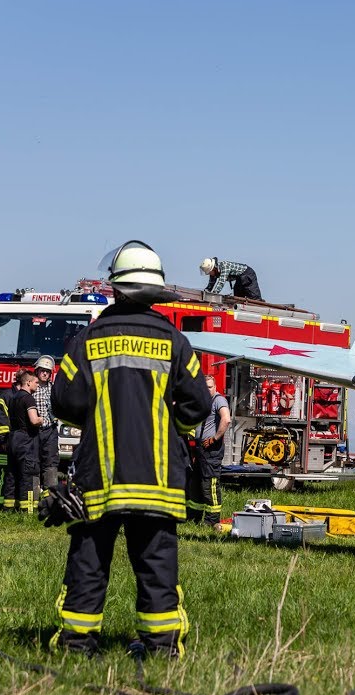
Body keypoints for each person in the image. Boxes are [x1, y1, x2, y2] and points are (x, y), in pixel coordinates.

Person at [48, 240, 212, 659]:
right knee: (157, 567)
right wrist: (169, 425)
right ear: (154, 291)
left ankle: (77, 645)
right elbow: (198, 405)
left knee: (89, 563)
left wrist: (100, 413)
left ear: (116, 289)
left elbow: (64, 403)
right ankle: (160, 648)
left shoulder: (86, 339)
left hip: (98, 479)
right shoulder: (175, 342)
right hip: (157, 481)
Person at [186, 374, 231, 526]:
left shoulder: (219, 400)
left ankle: (212, 520)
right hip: (199, 449)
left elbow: (226, 419)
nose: (207, 390)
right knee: (195, 483)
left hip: (211, 449)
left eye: (210, 387)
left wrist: (215, 438)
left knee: (209, 484)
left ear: (215, 387)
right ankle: (194, 517)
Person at [8, 369, 44, 514]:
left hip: (13, 439)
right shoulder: (28, 398)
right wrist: (42, 419)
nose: (38, 385)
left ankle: (8, 507)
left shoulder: (13, 397)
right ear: (28, 382)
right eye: (36, 382)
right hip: (26, 440)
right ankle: (27, 509)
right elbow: (34, 420)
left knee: (12, 474)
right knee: (27, 475)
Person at [32, 355, 61, 493]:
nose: (44, 373)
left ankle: (50, 495)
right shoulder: (31, 387)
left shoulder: (54, 389)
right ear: (37, 371)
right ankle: (34, 493)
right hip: (33, 431)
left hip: (50, 431)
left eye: (47, 371)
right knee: (33, 461)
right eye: (42, 370)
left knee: (50, 461)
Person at [0, 377, 19, 511]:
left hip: (17, 443)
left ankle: (12, 503)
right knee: (2, 473)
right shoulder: (6, 396)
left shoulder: (25, 396)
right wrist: (3, 439)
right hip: (4, 444)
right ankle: (1, 504)